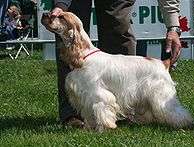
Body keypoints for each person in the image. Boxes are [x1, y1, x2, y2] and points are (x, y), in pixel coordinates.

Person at [51, 0, 182, 126]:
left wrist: (173, 27)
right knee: (69, 27)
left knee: (118, 28)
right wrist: (61, 5)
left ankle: (127, 113)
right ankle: (73, 116)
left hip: (155, 68)